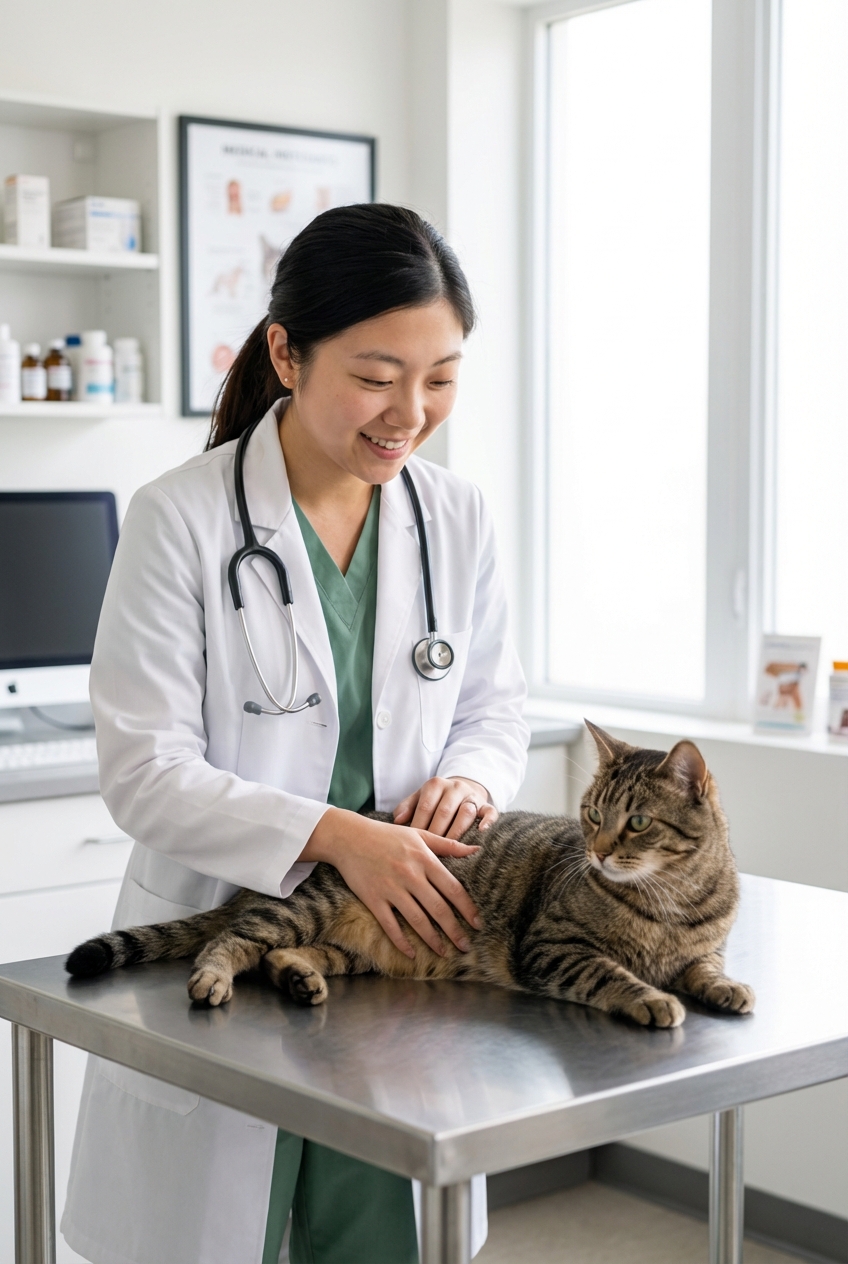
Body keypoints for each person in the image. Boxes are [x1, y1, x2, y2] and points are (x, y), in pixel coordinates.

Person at [62, 204, 529, 1264]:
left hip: (395, 967)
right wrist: (339, 835)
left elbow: (495, 706)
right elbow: (144, 771)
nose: (409, 411)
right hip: (222, 953)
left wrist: (469, 778)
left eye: (440, 377)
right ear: (286, 351)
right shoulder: (178, 519)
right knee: (228, 1231)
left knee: (383, 1233)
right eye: (375, 375)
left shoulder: (453, 516)